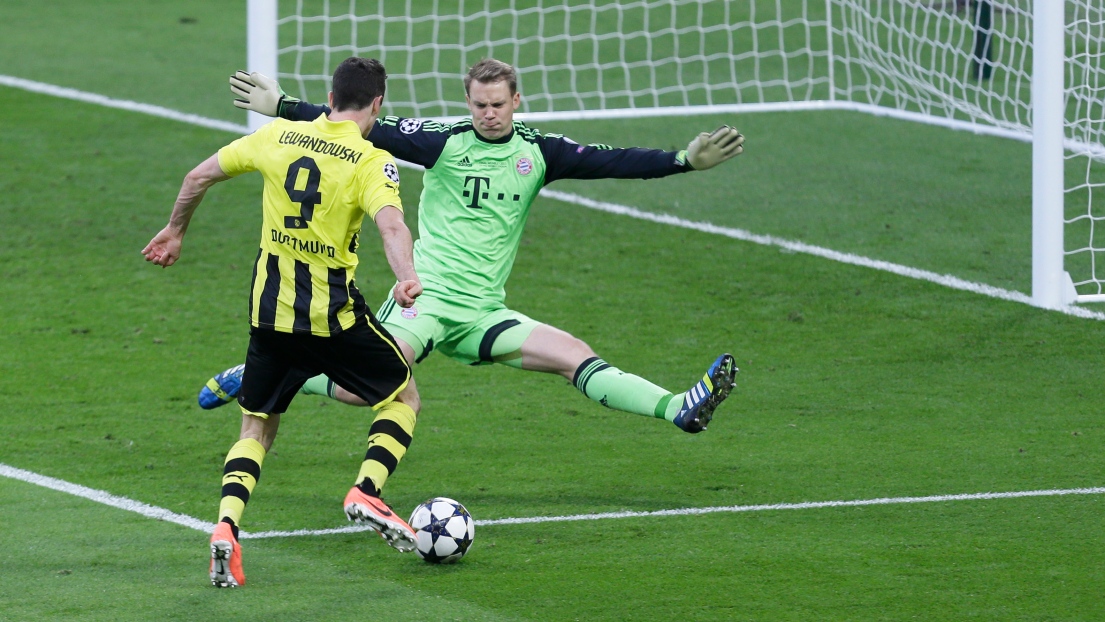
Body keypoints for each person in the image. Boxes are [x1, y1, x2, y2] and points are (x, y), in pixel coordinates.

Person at [209, 58, 742, 435]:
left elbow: (614, 162)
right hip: (429, 301)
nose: (489, 113)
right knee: (360, 390)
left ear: (516, 101)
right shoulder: (440, 140)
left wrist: (682, 160)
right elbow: (349, 124)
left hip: (484, 311)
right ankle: (279, 373)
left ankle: (677, 408)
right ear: (468, 102)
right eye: (480, 104)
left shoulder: (541, 152)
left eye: (498, 104)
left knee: (574, 356)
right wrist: (281, 105)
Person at [143, 57, 425, 588]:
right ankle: (367, 489)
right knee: (402, 396)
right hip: (332, 318)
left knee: (256, 428)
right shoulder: (371, 160)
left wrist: (175, 231)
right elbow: (391, 225)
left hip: (268, 316)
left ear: (331, 94)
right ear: (378, 104)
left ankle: (226, 528)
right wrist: (406, 276)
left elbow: (197, 176)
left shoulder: (280, 135)